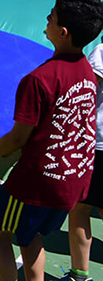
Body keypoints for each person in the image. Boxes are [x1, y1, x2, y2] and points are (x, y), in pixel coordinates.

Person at [0, 0, 103, 281]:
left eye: (51, 17)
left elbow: (17, 139)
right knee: (30, 235)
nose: (46, 18)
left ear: (62, 32)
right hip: (72, 181)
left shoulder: (38, 80)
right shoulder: (88, 73)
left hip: (34, 185)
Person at [65, 40, 103, 281]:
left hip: (98, 144)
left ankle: (79, 275)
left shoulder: (101, 52)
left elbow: (86, 90)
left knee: (80, 207)